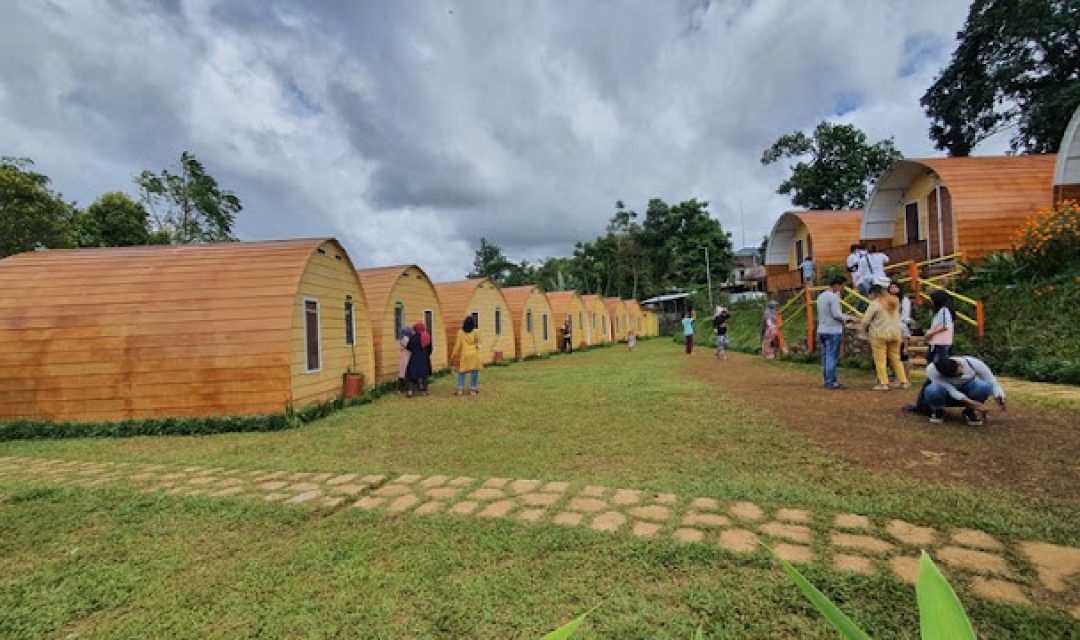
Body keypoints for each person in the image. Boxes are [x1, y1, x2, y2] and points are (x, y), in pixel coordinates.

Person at [924, 355, 1006, 425]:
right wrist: (974, 403)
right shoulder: (932, 370)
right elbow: (952, 391)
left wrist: (999, 395)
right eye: (953, 377)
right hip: (946, 393)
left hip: (967, 388)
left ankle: (970, 411)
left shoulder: (973, 363)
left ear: (959, 364)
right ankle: (938, 410)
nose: (958, 378)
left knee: (985, 386)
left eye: (960, 374)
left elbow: (991, 381)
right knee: (932, 389)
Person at [860, 276, 909, 391]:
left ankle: (883, 383)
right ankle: (903, 381)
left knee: (880, 359)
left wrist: (864, 329)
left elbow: (865, 320)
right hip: (895, 333)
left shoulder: (875, 304)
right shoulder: (895, 301)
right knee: (896, 358)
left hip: (879, 333)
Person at [816, 276, 854, 389]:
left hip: (822, 329)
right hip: (833, 330)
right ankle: (831, 381)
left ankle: (827, 379)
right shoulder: (833, 297)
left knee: (825, 356)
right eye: (842, 286)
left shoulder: (821, 296)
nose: (843, 288)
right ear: (837, 285)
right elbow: (837, 314)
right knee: (832, 356)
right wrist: (847, 318)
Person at [451, 315, 483, 396]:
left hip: (465, 354)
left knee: (461, 372)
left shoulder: (460, 332)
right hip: (474, 354)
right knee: (474, 372)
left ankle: (459, 390)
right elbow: (479, 343)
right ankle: (473, 390)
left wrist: (453, 354)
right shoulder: (476, 331)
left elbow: (458, 345)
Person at [890, 281, 914, 380]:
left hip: (901, 326)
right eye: (891, 287)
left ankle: (905, 376)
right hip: (892, 328)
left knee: (903, 353)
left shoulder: (904, 300)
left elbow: (905, 316)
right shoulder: (890, 300)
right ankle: (895, 373)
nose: (892, 289)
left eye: (895, 287)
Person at [925, 291, 955, 366]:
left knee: (942, 362)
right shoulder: (940, 311)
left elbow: (945, 326)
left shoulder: (944, 310)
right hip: (936, 341)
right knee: (930, 358)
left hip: (942, 341)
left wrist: (931, 334)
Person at [406, 321, 433, 397]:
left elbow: (408, 347)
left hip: (414, 358)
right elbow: (430, 348)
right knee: (424, 375)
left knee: (410, 374)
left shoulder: (413, 338)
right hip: (424, 358)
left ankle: (410, 391)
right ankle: (425, 391)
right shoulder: (427, 337)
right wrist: (426, 354)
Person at [397, 326, 414, 393]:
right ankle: (406, 388)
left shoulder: (403, 338)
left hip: (404, 356)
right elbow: (409, 347)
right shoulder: (406, 339)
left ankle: (400, 389)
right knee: (405, 373)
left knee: (402, 373)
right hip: (406, 357)